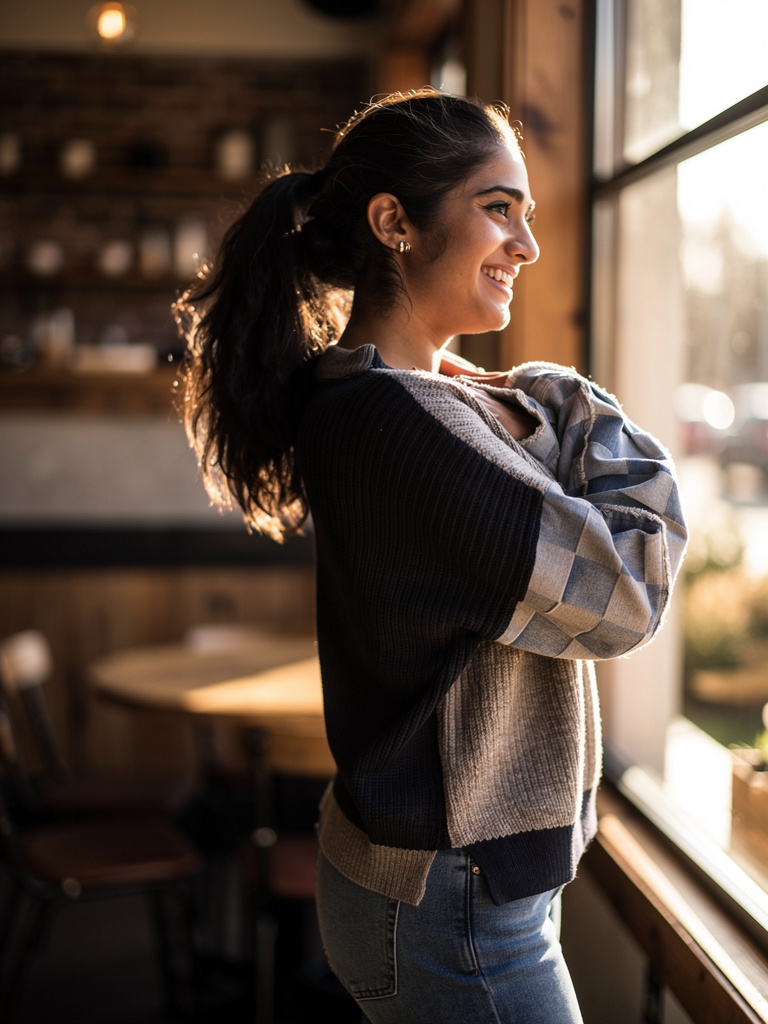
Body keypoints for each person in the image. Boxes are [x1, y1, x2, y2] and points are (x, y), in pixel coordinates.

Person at [174, 88, 687, 1024]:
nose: (526, 245)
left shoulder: (398, 403)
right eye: (500, 208)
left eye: (529, 216)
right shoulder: (399, 426)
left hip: (454, 892)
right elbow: (624, 596)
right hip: (453, 910)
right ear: (393, 224)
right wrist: (576, 402)